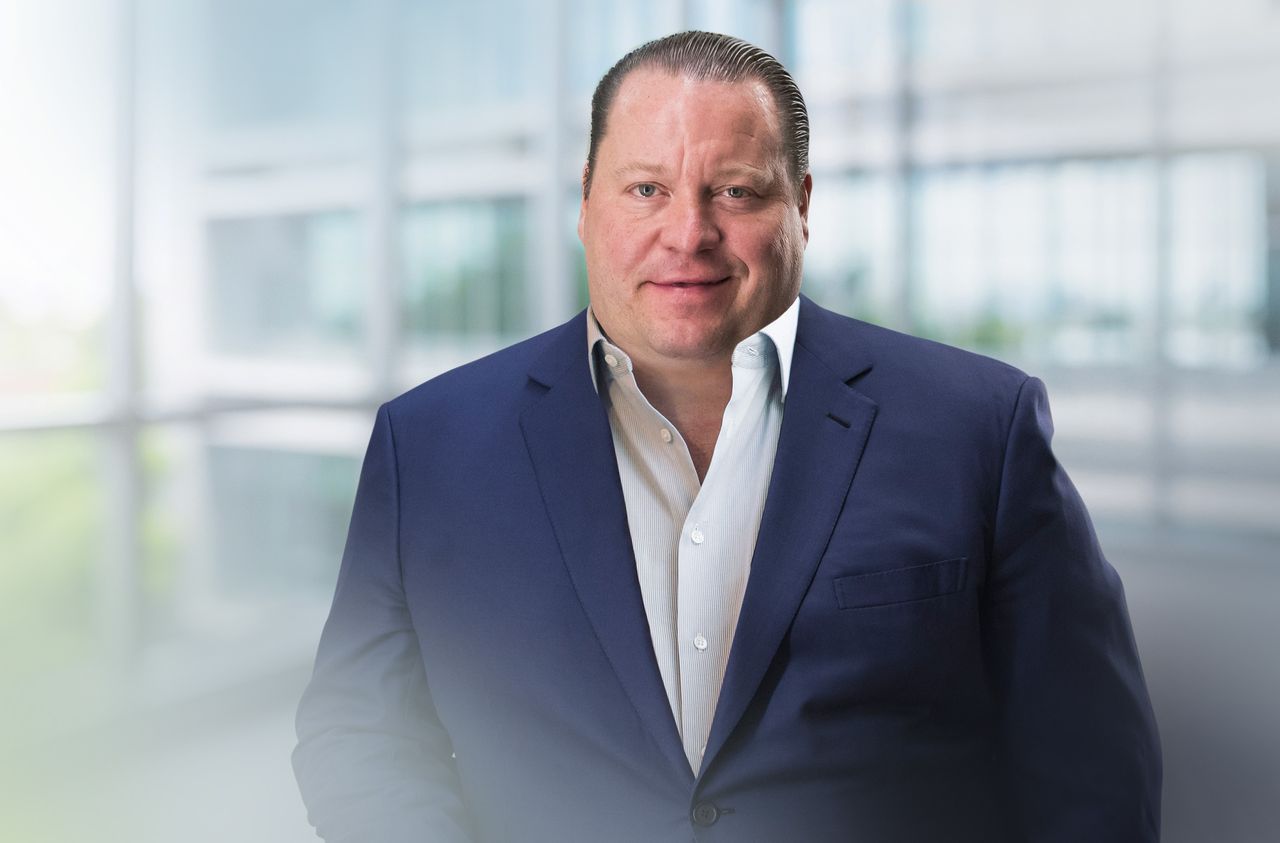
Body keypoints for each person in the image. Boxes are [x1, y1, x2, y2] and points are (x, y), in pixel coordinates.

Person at [293, 31, 1161, 842]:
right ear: (585, 204)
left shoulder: (979, 426)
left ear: (803, 204)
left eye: (735, 190)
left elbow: (1089, 763)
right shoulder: (430, 444)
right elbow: (357, 729)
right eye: (647, 189)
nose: (689, 233)